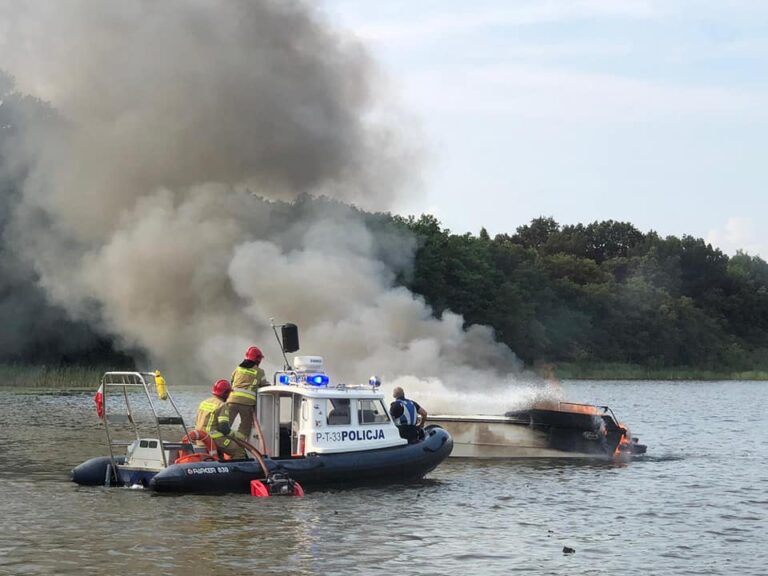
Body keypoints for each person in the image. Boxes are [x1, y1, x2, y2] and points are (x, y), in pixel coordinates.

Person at [195, 379, 247, 459]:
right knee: (239, 451)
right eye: (229, 393)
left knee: (221, 455)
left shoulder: (204, 402)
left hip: (199, 438)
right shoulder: (222, 405)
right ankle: (235, 470)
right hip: (214, 438)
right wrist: (236, 435)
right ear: (225, 393)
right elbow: (224, 429)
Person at [227, 345, 269, 437]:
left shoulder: (238, 368)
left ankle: (221, 443)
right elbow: (264, 385)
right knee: (245, 428)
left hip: (231, 401)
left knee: (225, 425)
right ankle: (238, 443)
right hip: (247, 404)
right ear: (258, 359)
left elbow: (231, 381)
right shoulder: (259, 371)